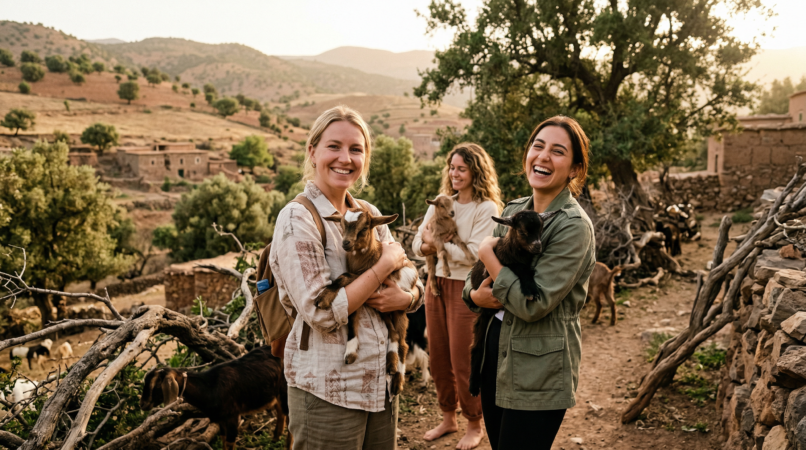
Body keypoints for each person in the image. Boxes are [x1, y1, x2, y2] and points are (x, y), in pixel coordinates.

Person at [269, 105, 424, 450]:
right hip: (328, 390)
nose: (345, 158)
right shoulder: (299, 219)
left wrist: (407, 298)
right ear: (313, 152)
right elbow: (322, 312)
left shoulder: (367, 212)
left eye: (356, 149)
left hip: (380, 385)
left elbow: (413, 277)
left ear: (365, 158)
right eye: (334, 146)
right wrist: (383, 267)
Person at [463, 116, 595, 450]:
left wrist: (486, 250)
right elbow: (474, 279)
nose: (543, 157)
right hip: (497, 352)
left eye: (558, 151)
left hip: (539, 367)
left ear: (575, 169)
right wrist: (474, 296)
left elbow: (531, 304)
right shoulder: (513, 209)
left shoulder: (573, 227)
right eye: (538, 146)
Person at [413, 143, 503, 449]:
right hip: (435, 284)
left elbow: (476, 257)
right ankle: (448, 417)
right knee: (437, 356)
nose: (454, 174)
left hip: (466, 288)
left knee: (463, 358)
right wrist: (436, 243)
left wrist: (434, 243)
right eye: (451, 168)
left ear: (476, 171)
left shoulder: (486, 208)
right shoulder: (441, 202)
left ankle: (474, 423)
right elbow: (416, 245)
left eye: (461, 169)